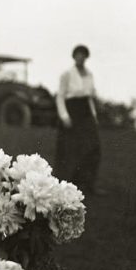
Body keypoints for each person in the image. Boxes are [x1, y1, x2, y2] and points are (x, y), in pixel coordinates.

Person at [55, 44, 103, 194]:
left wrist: (94, 116)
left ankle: (89, 184)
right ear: (74, 56)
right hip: (72, 110)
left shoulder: (89, 74)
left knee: (93, 147)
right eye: (78, 54)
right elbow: (60, 97)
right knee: (71, 149)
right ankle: (67, 186)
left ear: (86, 57)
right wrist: (64, 116)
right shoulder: (67, 74)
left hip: (86, 112)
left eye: (83, 54)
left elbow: (90, 97)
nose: (81, 57)